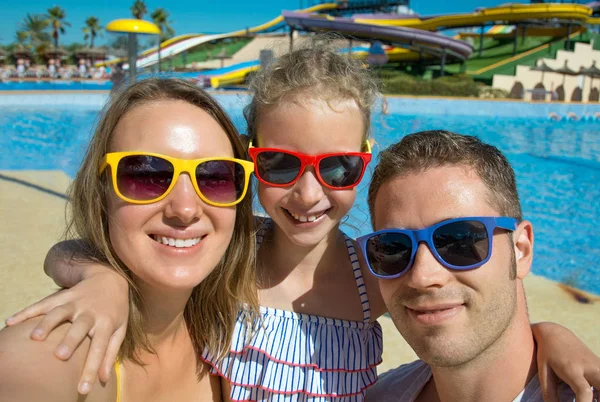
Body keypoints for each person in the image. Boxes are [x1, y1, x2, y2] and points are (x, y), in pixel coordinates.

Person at [5, 41, 600, 401]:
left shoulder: (377, 274)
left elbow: (466, 311)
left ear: (363, 161)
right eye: (281, 164)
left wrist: (553, 335)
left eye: (339, 167)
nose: (309, 193)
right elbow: (83, 250)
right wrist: (99, 280)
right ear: (248, 159)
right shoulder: (228, 254)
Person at [0, 78, 259, 400]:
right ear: (101, 192)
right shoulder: (46, 357)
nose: (186, 208)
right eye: (146, 175)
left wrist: (96, 273)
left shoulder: (228, 326)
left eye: (214, 176)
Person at [361, 130, 599, 402]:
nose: (422, 276)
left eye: (458, 240)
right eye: (393, 247)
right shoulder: (378, 395)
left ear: (520, 250)